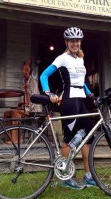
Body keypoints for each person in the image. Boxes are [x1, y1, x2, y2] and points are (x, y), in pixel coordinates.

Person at [40, 27, 96, 189]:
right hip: (69, 101)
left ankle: (88, 176)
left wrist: (90, 93)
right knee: (69, 138)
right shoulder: (62, 58)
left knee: (88, 136)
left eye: (77, 41)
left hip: (81, 101)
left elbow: (81, 81)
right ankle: (65, 177)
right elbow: (44, 75)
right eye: (72, 41)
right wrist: (48, 92)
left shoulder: (80, 60)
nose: (75, 43)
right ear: (66, 42)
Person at [3, 59, 42, 144]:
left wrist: (25, 107)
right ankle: (8, 138)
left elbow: (34, 99)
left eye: (27, 69)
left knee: (15, 113)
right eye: (24, 69)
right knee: (7, 113)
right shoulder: (23, 82)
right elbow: (23, 98)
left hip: (33, 109)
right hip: (25, 108)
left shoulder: (33, 82)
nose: (25, 72)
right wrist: (20, 105)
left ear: (30, 70)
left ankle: (15, 139)